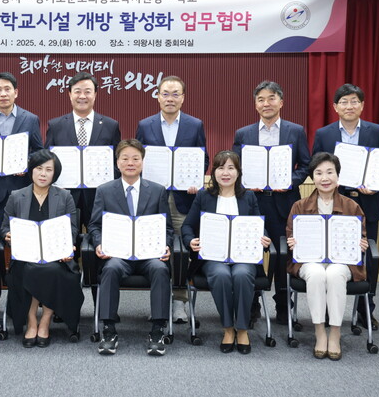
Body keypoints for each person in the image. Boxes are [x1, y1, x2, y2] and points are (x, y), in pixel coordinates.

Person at [312, 83, 379, 329]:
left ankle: (366, 310)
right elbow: (315, 166)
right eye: (344, 102)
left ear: (362, 105)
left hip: (368, 202)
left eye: (354, 101)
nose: (349, 106)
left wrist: (377, 185)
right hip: (334, 202)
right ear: (335, 107)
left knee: (366, 257)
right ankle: (327, 311)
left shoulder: (378, 132)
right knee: (331, 255)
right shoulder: (324, 134)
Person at [232, 80, 310, 324]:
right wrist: (245, 183)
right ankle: (252, 304)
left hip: (284, 203)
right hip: (251, 204)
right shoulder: (243, 134)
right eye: (261, 99)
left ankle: (284, 307)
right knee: (251, 254)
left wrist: (288, 182)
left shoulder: (295, 131)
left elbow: (306, 165)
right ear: (255, 105)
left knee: (283, 256)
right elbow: (235, 168)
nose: (266, 103)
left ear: (281, 102)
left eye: (271, 98)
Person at [88, 139, 174, 356]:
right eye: (125, 158)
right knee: (110, 269)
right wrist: (98, 244)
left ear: (142, 162)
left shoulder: (157, 191)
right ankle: (109, 330)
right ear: (117, 163)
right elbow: (94, 225)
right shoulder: (105, 191)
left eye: (135, 158)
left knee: (160, 269)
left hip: (149, 255)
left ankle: (157, 330)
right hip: (118, 255)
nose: (130, 163)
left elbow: (167, 227)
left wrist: (166, 245)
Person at [181, 151, 271, 354]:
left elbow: (258, 225)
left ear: (238, 172)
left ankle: (242, 329)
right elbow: (187, 226)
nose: (226, 173)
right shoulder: (204, 196)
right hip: (213, 257)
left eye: (231, 168)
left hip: (243, 257)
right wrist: (190, 240)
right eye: (221, 168)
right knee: (221, 275)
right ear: (214, 172)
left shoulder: (248, 197)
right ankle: (228, 328)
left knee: (242, 274)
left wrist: (264, 238)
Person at [136, 75, 209, 324]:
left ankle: (179, 302)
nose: (170, 98)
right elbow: (138, 159)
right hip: (153, 199)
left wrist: (195, 179)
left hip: (183, 199)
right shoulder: (145, 125)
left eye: (175, 94)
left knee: (181, 252)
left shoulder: (195, 125)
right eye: (165, 94)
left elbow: (203, 158)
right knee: (155, 249)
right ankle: (158, 302)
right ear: (157, 96)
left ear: (183, 98)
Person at [286, 152, 368, 361]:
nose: (325, 178)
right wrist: (292, 242)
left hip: (341, 262)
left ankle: (335, 333)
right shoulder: (300, 206)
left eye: (330, 172)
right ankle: (320, 331)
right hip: (309, 261)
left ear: (338, 176)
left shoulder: (352, 206)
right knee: (316, 273)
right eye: (319, 173)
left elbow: (361, 236)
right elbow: (290, 234)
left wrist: (362, 243)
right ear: (312, 177)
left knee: (333, 274)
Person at [1, 149, 83, 348]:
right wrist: (7, 235)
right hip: (25, 255)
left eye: (48, 170)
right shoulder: (16, 196)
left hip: (56, 256)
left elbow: (72, 230)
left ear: (55, 174)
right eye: (39, 168)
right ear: (31, 170)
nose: (43, 174)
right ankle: (31, 321)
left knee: (51, 270)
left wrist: (67, 247)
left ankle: (45, 321)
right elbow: (4, 227)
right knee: (27, 269)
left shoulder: (65, 196)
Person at [0, 72, 43, 307]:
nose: (3, 94)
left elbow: (39, 150)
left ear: (16, 92)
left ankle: (23, 302)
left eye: (8, 89)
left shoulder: (30, 119)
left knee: (24, 248)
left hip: (22, 192)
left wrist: (26, 163)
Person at [45, 71, 121, 228]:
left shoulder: (110, 125)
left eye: (87, 91)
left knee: (98, 237)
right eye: (77, 91)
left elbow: (117, 162)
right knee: (66, 238)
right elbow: (47, 161)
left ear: (95, 94)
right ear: (69, 94)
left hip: (99, 195)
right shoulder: (56, 125)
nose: (82, 96)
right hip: (64, 194)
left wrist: (106, 179)